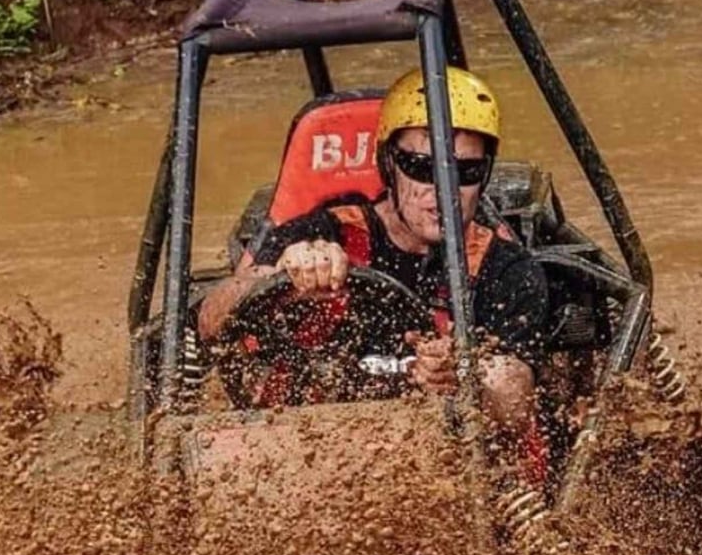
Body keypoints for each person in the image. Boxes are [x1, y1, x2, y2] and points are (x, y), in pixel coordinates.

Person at [197, 66, 549, 457]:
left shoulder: (504, 266)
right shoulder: (323, 232)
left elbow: (516, 401)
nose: (444, 190)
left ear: (484, 176)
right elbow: (211, 320)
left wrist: (466, 372)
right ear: (388, 164)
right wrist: (283, 274)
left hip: (442, 458)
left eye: (466, 172)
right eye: (422, 168)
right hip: (306, 448)